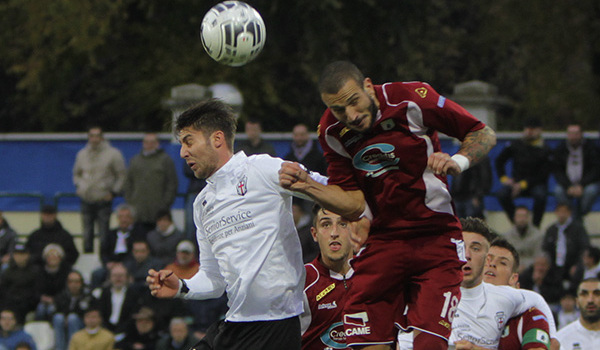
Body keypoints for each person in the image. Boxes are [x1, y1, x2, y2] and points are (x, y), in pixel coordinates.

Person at [279, 60, 496, 350]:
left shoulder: (413, 98)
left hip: (435, 237)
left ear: (368, 86)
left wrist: (457, 161)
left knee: (429, 345)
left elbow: (483, 133)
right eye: (339, 110)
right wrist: (307, 186)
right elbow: (353, 203)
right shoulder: (331, 131)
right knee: (368, 343)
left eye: (354, 102)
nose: (351, 116)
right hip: (382, 242)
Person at [147, 99, 327, 350]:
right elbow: (214, 279)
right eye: (181, 144)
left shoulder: (262, 168)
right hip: (236, 321)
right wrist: (183, 286)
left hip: (277, 322)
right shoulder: (202, 203)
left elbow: (327, 188)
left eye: (189, 141)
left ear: (217, 139)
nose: (183, 152)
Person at [447, 218, 556, 350]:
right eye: (462, 247)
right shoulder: (438, 295)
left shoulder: (511, 302)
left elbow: (537, 300)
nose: (467, 254)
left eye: (502, 263)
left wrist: (554, 338)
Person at [301, 203, 365, 350]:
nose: (334, 233)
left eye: (342, 224)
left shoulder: (374, 275)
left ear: (354, 231)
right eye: (326, 225)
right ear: (314, 234)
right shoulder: (301, 281)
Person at [483, 237, 558, 350]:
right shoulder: (458, 304)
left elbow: (537, 300)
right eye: (487, 260)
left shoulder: (530, 316)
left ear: (513, 278)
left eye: (502, 263)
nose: (492, 264)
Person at [73, 126, 127, 253]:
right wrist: (79, 186)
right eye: (91, 136)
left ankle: (103, 258)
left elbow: (121, 175)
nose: (94, 139)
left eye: (97, 136)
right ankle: (88, 257)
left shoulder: (113, 154)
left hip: (103, 198)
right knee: (87, 232)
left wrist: (113, 192)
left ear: (102, 137)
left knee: (104, 233)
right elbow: (76, 173)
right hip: (86, 198)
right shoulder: (82, 154)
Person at [495, 117, 553, 227]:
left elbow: (543, 174)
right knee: (502, 194)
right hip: (516, 183)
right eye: (527, 128)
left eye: (533, 129)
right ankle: (517, 223)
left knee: (541, 195)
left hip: (535, 183)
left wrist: (523, 184)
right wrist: (504, 178)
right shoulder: (516, 145)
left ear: (539, 130)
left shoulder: (545, 149)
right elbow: (499, 161)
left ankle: (535, 226)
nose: (529, 131)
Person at [124, 132, 178, 232]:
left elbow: (172, 183)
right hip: (138, 211)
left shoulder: (165, 160)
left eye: (152, 142)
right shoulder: (135, 160)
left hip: (158, 212)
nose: (149, 145)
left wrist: (165, 204)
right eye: (146, 142)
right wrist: (130, 202)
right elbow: (128, 183)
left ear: (157, 144)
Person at [552, 123, 600, 220]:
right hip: (567, 184)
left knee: (591, 191)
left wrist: (581, 185)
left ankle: (576, 218)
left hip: (586, 183)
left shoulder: (591, 148)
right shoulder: (560, 149)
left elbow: (595, 170)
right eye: (570, 134)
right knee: (558, 191)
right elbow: (557, 171)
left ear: (581, 134)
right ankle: (574, 218)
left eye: (576, 134)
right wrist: (568, 185)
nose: (573, 137)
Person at [92, 204, 145, 288]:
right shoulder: (110, 234)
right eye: (121, 217)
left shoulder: (138, 233)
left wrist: (123, 264)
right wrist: (108, 263)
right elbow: (103, 252)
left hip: (130, 266)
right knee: (97, 274)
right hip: (111, 265)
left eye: (127, 217)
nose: (123, 219)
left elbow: (137, 253)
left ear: (132, 219)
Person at [542, 203, 590, 293]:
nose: (562, 214)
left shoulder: (578, 229)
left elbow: (584, 248)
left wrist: (578, 264)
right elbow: (545, 248)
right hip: (554, 265)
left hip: (573, 264)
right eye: (559, 211)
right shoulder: (551, 229)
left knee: (577, 275)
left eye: (564, 211)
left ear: (569, 213)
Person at [92, 264, 140, 339]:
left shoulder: (134, 294)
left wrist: (121, 332)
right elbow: (100, 313)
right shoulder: (104, 293)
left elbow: (133, 315)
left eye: (121, 275)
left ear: (127, 278)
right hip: (105, 330)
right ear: (110, 278)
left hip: (127, 332)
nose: (118, 278)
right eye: (115, 275)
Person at [0, 242, 41, 324]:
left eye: (22, 254)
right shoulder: (7, 272)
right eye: (17, 254)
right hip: (10, 302)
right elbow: (3, 290)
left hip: (27, 303)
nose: (19, 257)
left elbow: (37, 291)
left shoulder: (35, 271)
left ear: (27, 255)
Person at [52, 270, 93, 350]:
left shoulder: (87, 297)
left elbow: (89, 313)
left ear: (81, 283)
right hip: (63, 323)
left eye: (77, 282)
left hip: (81, 324)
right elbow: (55, 311)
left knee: (73, 318)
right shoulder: (61, 296)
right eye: (71, 282)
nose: (74, 284)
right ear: (67, 283)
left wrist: (70, 317)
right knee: (58, 317)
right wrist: (65, 317)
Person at [555, 278, 600, 349]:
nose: (590, 300)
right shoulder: (561, 339)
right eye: (584, 294)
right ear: (577, 302)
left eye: (597, 294)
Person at [501, 206, 544, 272]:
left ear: (529, 218)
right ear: (514, 218)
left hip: (531, 271)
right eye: (519, 216)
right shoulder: (507, 237)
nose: (521, 219)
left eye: (524, 216)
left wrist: (525, 266)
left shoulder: (538, 236)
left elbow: (539, 257)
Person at [34, 244, 71, 321]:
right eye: (50, 255)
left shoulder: (67, 272)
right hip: (42, 302)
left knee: (51, 309)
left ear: (60, 258)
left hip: (61, 302)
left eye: (56, 255)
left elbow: (67, 291)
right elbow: (35, 289)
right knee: (41, 309)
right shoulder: (39, 273)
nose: (53, 258)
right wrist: (42, 298)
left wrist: (55, 299)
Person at [293, 198, 319, 264]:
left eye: (293, 211)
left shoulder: (310, 229)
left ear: (300, 211)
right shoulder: (289, 228)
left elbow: (316, 252)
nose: (292, 214)